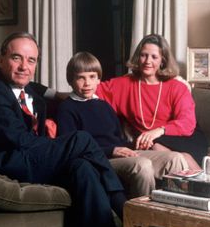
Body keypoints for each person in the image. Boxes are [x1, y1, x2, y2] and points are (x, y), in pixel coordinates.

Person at [0, 32, 125, 227]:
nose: (24, 66)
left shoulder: (26, 90)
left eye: (31, 60)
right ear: (1, 59)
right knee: (81, 139)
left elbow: (35, 87)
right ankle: (125, 208)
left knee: (83, 167)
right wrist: (59, 148)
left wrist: (57, 94)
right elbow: (20, 141)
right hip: (6, 162)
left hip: (28, 158)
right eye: (16, 58)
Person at [56, 52, 190, 198]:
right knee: (142, 165)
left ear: (99, 80)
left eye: (92, 77)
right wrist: (111, 150)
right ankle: (142, 217)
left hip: (120, 153)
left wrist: (134, 146)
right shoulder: (67, 108)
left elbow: (117, 138)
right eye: (81, 78)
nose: (87, 83)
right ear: (70, 80)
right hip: (100, 160)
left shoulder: (104, 105)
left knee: (175, 159)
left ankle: (179, 215)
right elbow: (71, 148)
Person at [96, 34, 208, 168]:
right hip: (149, 140)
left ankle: (202, 185)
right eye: (144, 55)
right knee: (158, 148)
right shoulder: (125, 84)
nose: (147, 61)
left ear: (163, 60)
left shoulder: (177, 86)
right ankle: (200, 183)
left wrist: (158, 131)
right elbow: (91, 88)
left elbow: (187, 123)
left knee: (161, 148)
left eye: (154, 57)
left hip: (184, 136)